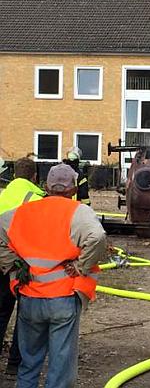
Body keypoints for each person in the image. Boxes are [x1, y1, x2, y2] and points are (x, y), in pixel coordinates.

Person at [0, 164, 107, 388]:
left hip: (29, 296)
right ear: (73, 189)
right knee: (60, 365)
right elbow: (97, 237)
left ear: (46, 187)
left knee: (28, 364)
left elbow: (1, 231)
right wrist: (80, 266)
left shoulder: (27, 210)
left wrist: (12, 267)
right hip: (64, 297)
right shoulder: (78, 212)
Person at [0, 158, 45, 375]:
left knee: (0, 311)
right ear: (34, 176)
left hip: (1, 259)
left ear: (14, 174)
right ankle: (14, 364)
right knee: (24, 314)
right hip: (22, 263)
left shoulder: (3, 194)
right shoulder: (37, 199)